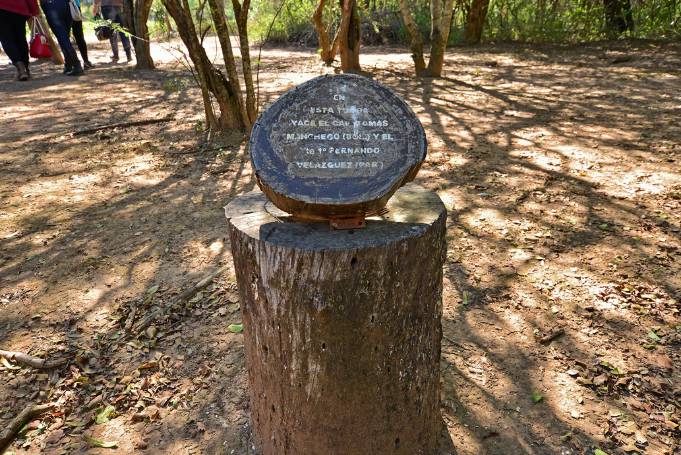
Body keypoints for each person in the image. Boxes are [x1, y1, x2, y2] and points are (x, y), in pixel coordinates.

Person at [0, 0, 40, 81]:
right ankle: (25, 68)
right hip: (19, 9)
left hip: (2, 8)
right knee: (21, 38)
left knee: (7, 39)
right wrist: (34, 10)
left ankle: (20, 67)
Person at [40, 0, 83, 75]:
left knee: (62, 37)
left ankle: (76, 65)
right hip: (66, 4)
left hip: (52, 6)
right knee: (65, 36)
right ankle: (68, 64)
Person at [70, 0, 93, 69]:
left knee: (66, 37)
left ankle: (72, 64)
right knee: (79, 36)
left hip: (67, 7)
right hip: (74, 6)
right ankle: (85, 61)